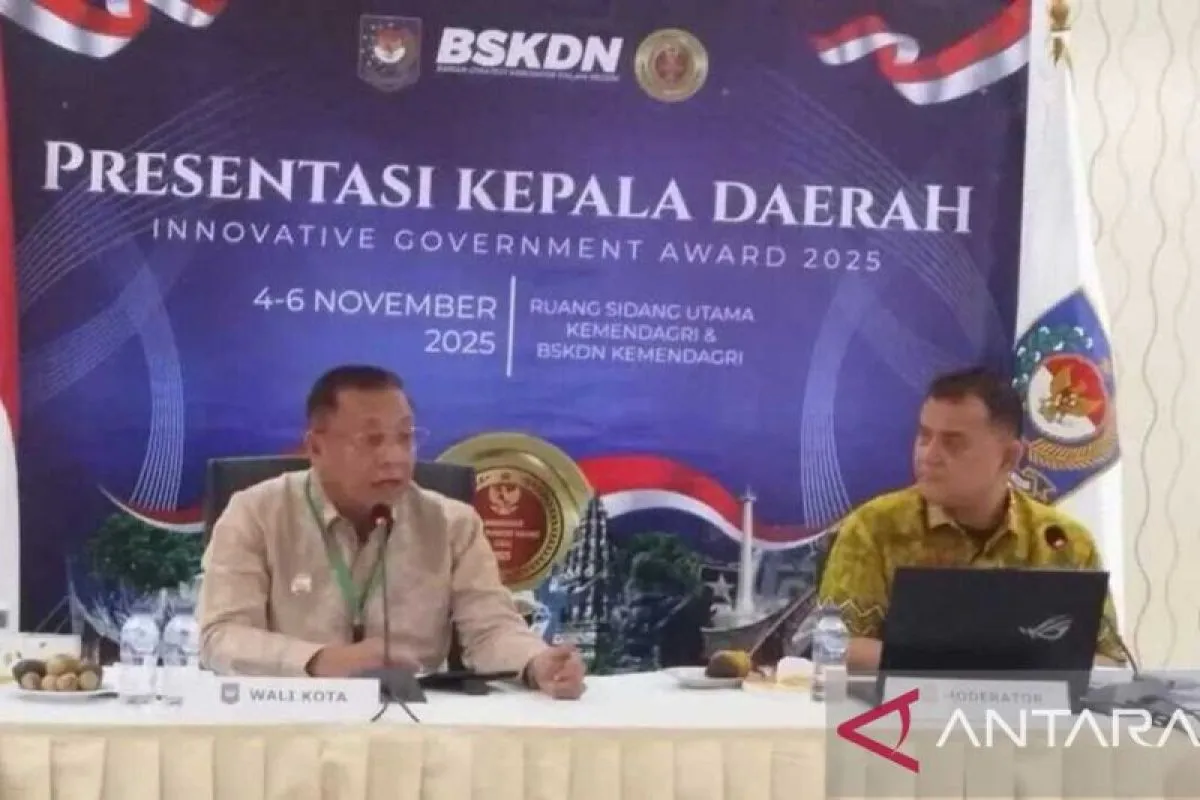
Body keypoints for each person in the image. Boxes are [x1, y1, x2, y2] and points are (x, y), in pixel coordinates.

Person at [198, 365, 586, 699]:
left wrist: (536, 663)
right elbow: (221, 637)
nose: (395, 457)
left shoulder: (452, 524)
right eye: (372, 440)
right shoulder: (256, 513)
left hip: (416, 725)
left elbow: (491, 631)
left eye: (405, 437)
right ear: (316, 447)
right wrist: (321, 660)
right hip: (290, 720)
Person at [818, 367, 1124, 673]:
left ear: (1009, 458)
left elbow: (1109, 662)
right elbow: (834, 646)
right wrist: (966, 666)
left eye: (953, 443)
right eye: (924, 436)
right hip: (905, 704)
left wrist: (992, 672)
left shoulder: (1061, 541)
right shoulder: (875, 528)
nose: (929, 455)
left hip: (1029, 706)